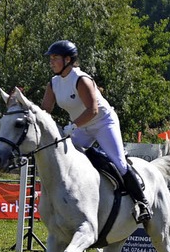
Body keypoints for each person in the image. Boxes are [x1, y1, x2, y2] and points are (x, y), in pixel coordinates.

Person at [41, 40, 151, 223]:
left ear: (68, 59)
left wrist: (73, 126)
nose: (51, 62)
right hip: (81, 127)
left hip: (103, 122)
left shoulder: (81, 79)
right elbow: (44, 111)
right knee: (65, 158)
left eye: (55, 58)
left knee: (119, 163)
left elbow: (92, 110)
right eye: (50, 58)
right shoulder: (53, 84)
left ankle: (142, 203)